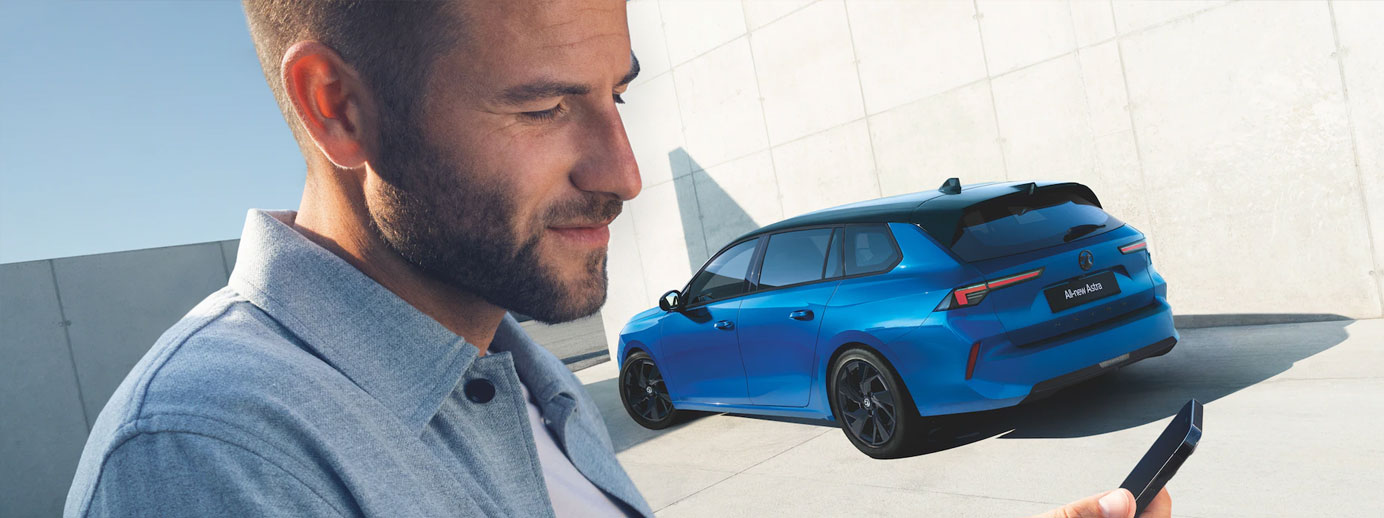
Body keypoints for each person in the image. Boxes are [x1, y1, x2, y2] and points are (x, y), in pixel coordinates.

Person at [62, 1, 1174, 517]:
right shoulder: (209, 459)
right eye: (546, 106)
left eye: (617, 94)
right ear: (338, 107)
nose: (624, 169)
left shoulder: (515, 372)